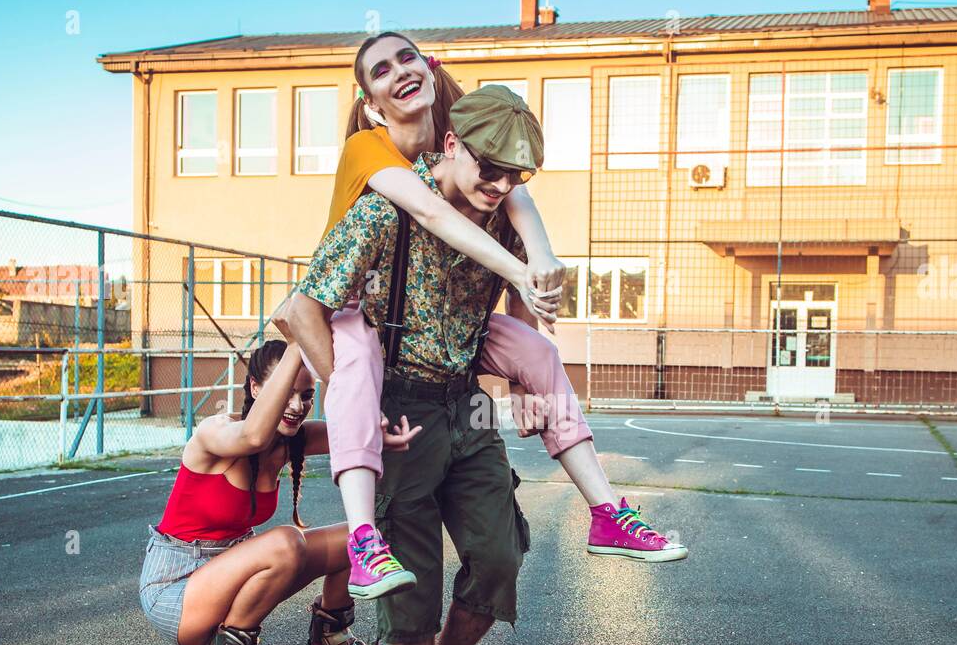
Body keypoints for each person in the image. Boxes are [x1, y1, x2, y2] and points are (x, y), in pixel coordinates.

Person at [274, 33, 685, 607]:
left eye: (408, 58)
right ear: (371, 101)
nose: (499, 185)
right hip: (357, 309)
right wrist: (521, 271)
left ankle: (606, 511)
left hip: (448, 334)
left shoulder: (477, 156)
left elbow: (513, 194)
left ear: (431, 67)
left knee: (536, 352)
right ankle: (363, 539)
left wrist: (523, 374)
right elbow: (424, 210)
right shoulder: (374, 160)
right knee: (357, 365)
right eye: (381, 70)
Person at [284, 87, 560, 645]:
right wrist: (357, 391)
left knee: (500, 553)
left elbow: (529, 301)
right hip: (399, 400)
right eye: (489, 168)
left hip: (466, 401)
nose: (501, 186)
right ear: (450, 146)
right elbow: (300, 309)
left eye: (515, 176)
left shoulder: (507, 225)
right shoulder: (385, 212)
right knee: (409, 567)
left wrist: (525, 383)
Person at [137, 339, 417, 645]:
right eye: (284, 393)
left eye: (306, 395)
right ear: (254, 388)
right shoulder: (216, 433)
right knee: (286, 542)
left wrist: (382, 435)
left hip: (228, 572)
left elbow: (351, 430)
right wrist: (302, 336)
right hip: (177, 588)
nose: (297, 406)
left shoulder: (293, 440)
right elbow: (253, 436)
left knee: (359, 534)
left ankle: (331, 638)